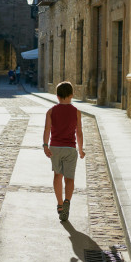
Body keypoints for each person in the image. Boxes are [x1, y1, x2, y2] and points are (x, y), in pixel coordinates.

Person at [43, 81, 85, 222]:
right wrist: (81, 149)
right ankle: (67, 201)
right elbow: (79, 132)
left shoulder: (51, 111)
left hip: (55, 148)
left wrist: (45, 145)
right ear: (72, 95)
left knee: (57, 176)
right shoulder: (76, 112)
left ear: (57, 96)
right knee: (70, 178)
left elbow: (47, 129)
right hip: (70, 149)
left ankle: (60, 205)